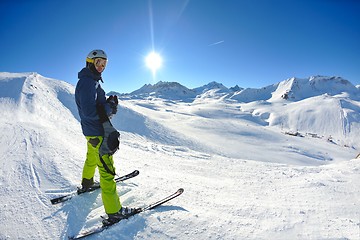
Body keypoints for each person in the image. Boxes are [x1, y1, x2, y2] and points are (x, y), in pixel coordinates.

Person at [75, 49, 137, 225]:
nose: (101, 66)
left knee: (91, 158)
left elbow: (95, 107)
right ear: (90, 63)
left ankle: (87, 183)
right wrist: (110, 108)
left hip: (91, 132)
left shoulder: (90, 81)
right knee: (107, 171)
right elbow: (89, 112)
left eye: (104, 63)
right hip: (97, 131)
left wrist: (107, 104)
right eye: (98, 62)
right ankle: (114, 212)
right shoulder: (88, 83)